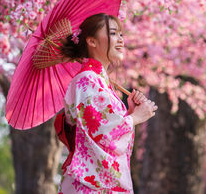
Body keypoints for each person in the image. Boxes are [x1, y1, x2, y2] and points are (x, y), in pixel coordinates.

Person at [56, 13, 158, 193]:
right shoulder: (87, 79)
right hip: (89, 185)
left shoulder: (99, 82)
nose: (120, 39)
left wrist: (128, 113)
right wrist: (134, 118)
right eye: (113, 33)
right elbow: (101, 132)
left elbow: (104, 130)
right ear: (92, 41)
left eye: (121, 34)